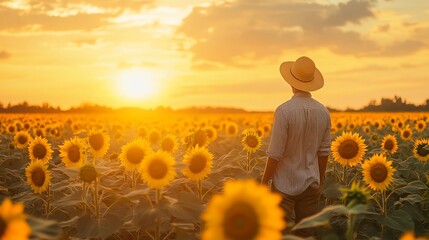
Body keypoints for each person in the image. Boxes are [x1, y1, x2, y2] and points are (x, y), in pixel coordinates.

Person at [261, 56, 331, 237]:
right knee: (307, 234)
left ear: (291, 83)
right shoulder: (323, 111)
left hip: (284, 184)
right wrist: (320, 180)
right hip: (310, 184)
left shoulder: (284, 111)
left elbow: (275, 153)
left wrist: (264, 181)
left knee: (280, 233)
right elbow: (324, 152)